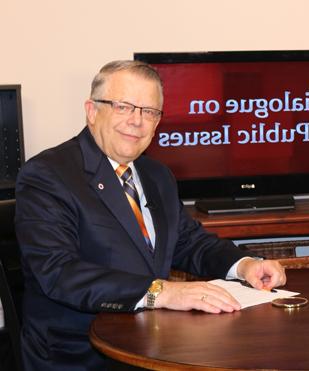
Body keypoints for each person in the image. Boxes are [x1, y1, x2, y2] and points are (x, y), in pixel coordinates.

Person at [14, 60, 287, 370]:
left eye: (150, 112)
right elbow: (60, 273)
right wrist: (162, 291)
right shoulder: (48, 175)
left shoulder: (156, 175)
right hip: (81, 355)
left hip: (155, 345)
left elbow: (188, 241)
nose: (137, 121)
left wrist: (244, 265)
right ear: (92, 111)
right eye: (124, 107)